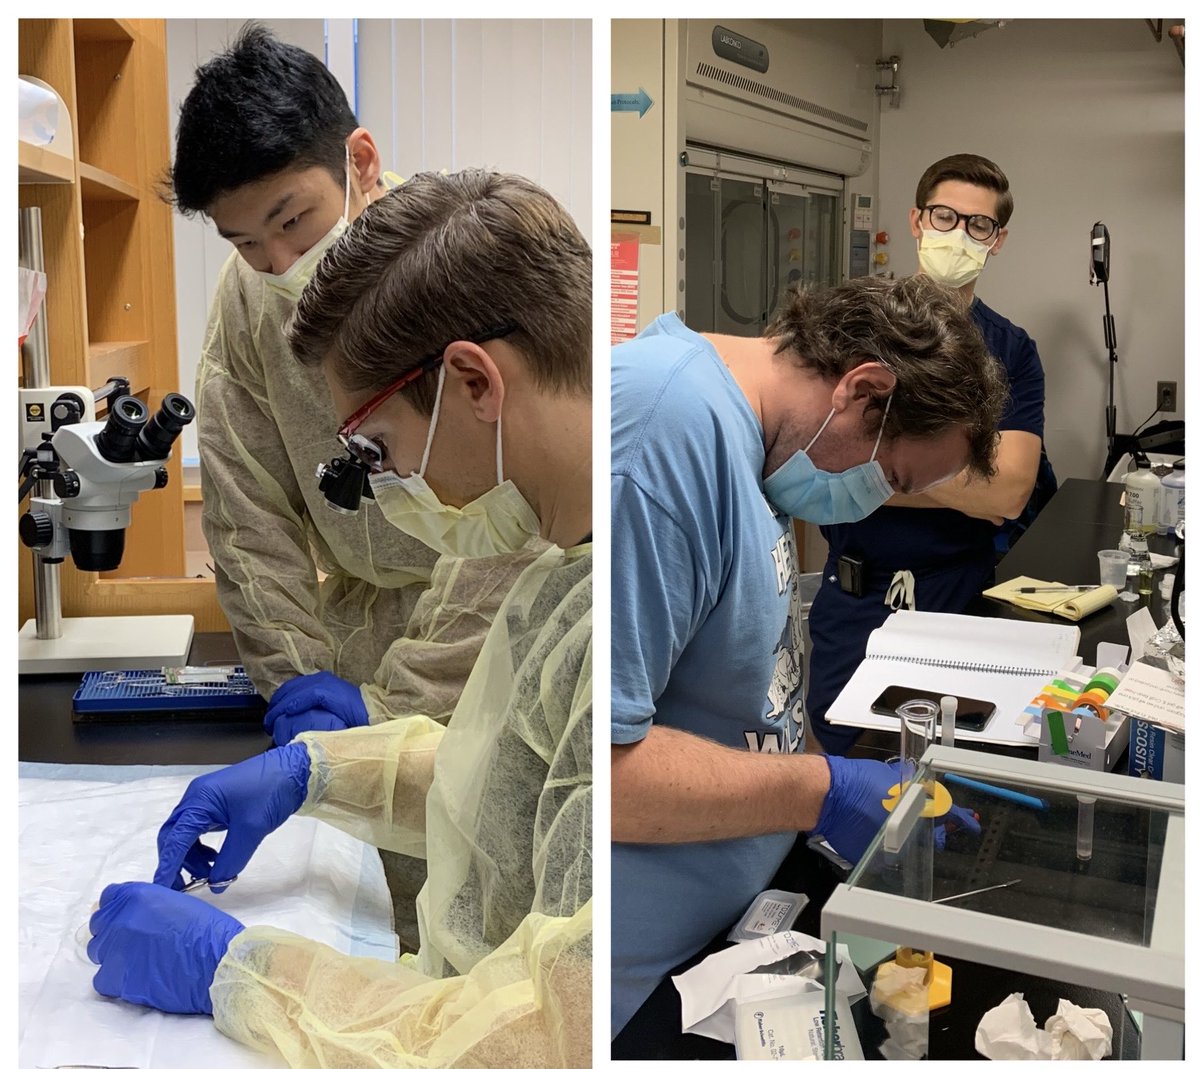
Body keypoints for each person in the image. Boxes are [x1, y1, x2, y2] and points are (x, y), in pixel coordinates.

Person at [86, 170, 593, 1068]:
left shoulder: (610, 614)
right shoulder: (566, 555)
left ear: (474, 380)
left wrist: (235, 970)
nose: (387, 490)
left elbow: (545, 1039)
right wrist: (318, 773)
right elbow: (520, 783)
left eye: (377, 450)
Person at [171, 23, 516, 950]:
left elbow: (513, 525)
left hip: (491, 635)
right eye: (245, 241)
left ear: (361, 162)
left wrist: (397, 703)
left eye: (294, 220)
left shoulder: (458, 262)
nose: (280, 264)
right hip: (356, 632)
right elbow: (246, 514)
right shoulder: (250, 303)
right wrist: (298, 687)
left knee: (488, 910)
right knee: (371, 915)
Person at [610, 274, 1007, 1039]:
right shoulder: (664, 430)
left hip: (750, 914)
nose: (871, 501)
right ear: (861, 390)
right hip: (650, 983)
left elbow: (759, 692)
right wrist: (824, 788)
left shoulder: (753, 448)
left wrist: (831, 793)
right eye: (890, 477)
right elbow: (608, 770)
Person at [806, 153, 1056, 755]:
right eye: (946, 217)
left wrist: (873, 467)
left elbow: (1008, 491)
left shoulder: (1010, 350)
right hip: (856, 600)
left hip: (959, 598)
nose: (959, 235)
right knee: (844, 769)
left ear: (996, 241)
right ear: (918, 221)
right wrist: (959, 480)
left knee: (949, 773)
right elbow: (816, 459)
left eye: (978, 225)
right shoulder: (852, 325)